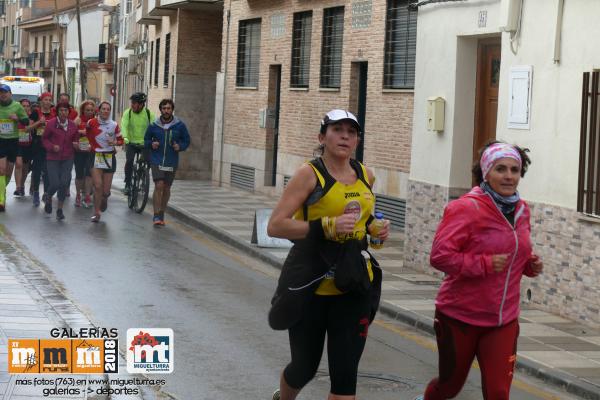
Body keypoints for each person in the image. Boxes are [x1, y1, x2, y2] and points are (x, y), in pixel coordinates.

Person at [266, 109, 389, 400]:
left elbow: (364, 220)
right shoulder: (309, 174)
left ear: (357, 140)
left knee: (345, 378)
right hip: (311, 285)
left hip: (353, 283)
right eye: (337, 130)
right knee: (304, 368)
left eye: (352, 131)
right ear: (322, 137)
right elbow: (275, 225)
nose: (345, 136)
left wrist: (376, 230)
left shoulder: (366, 174)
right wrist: (325, 226)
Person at [415, 141, 544, 400]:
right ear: (486, 172)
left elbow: (516, 250)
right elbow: (439, 256)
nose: (509, 176)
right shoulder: (466, 208)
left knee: (498, 393)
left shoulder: (521, 209)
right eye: (501, 169)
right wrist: (484, 264)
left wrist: (529, 265)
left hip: (502, 319)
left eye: (514, 170)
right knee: (449, 387)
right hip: (460, 316)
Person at [144, 99, 189, 226]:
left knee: (167, 187)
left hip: (171, 160)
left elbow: (187, 140)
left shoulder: (180, 125)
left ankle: (162, 212)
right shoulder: (154, 125)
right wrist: (152, 144)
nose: (166, 111)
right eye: (164, 108)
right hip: (156, 159)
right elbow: (146, 140)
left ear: (172, 109)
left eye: (168, 108)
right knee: (159, 185)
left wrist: (179, 147)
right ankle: (156, 214)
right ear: (161, 110)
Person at [41, 102, 78, 220]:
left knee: (64, 183)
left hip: (68, 158)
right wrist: (52, 147)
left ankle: (60, 209)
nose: (63, 113)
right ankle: (48, 196)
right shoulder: (51, 124)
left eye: (66, 111)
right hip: (53, 158)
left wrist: (77, 145)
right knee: (55, 183)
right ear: (57, 112)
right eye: (61, 110)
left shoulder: (73, 125)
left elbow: (76, 139)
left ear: (69, 112)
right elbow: (44, 139)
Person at [87, 101, 122, 222]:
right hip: (95, 155)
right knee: (97, 186)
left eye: (108, 109)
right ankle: (96, 212)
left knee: (105, 190)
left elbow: (121, 140)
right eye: (104, 109)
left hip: (109, 156)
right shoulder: (91, 123)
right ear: (99, 110)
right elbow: (86, 135)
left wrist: (115, 143)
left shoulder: (114, 125)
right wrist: (88, 145)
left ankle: (105, 197)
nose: (106, 111)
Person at [0, 84, 30, 211]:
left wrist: (17, 118)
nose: (3, 94)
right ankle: (1, 199)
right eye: (1, 92)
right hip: (1, 140)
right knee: (1, 169)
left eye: (5, 92)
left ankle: (2, 189)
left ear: (10, 94)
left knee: (8, 172)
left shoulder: (17, 106)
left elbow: (26, 121)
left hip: (13, 141)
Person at [121, 92, 154, 195]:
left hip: (145, 143)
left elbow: (155, 128)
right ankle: (127, 183)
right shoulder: (128, 113)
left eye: (134, 103)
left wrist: (155, 139)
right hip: (131, 142)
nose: (132, 105)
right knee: (130, 160)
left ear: (141, 104)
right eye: (132, 102)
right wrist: (125, 137)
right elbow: (124, 126)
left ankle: (143, 176)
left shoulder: (149, 114)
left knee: (148, 161)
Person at [31, 92, 56, 207]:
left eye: (49, 99)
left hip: (49, 146)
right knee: (36, 170)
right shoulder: (36, 112)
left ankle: (46, 193)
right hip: (37, 145)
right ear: (41, 101)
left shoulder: (54, 114)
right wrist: (38, 123)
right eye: (45, 99)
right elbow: (27, 128)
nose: (47, 102)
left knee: (48, 171)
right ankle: (36, 192)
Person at [13, 99, 41, 197]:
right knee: (19, 164)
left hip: (29, 145)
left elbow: (33, 128)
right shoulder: (14, 115)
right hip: (17, 144)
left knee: (25, 168)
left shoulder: (31, 117)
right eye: (23, 106)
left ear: (30, 107)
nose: (25, 108)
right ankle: (18, 187)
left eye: (27, 106)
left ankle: (22, 185)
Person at [73, 100, 95, 208]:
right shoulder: (78, 120)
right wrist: (79, 133)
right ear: (83, 110)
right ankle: (78, 195)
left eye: (91, 110)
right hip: (79, 151)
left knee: (89, 174)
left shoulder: (95, 120)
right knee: (79, 174)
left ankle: (87, 196)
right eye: (87, 110)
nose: (89, 112)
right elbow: (71, 133)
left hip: (91, 151)